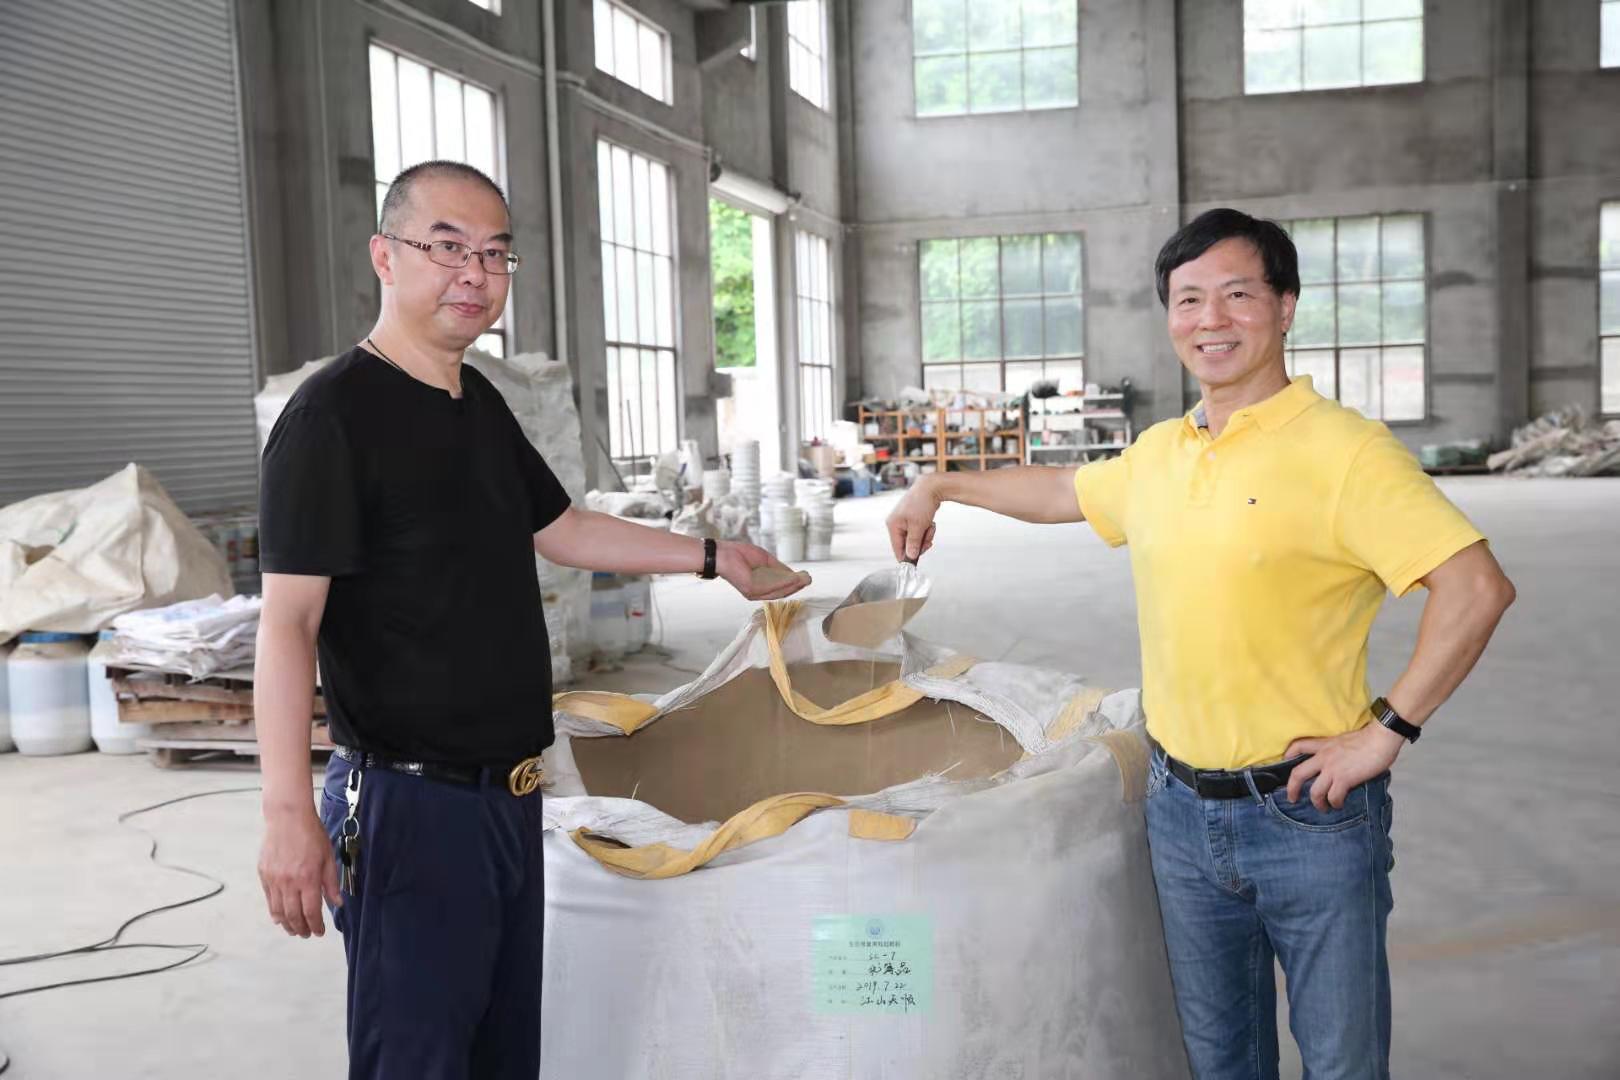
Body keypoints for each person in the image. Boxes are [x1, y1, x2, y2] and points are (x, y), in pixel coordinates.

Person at [886, 208, 1515, 1079]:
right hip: (1178, 810)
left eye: (1237, 295)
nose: (1209, 319)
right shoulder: (1161, 454)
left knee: (1341, 1063)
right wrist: (939, 485)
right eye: (1188, 300)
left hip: (1308, 813)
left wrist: (1387, 731)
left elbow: (1476, 588)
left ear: (1285, 306)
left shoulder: (1346, 453)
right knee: (1221, 1062)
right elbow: (1062, 493)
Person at [254, 160, 807, 1080]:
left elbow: (563, 529)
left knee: (503, 1056)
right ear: (385, 256)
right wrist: (284, 813)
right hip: (409, 807)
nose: (475, 274)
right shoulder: (332, 417)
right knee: (419, 1060)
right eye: (448, 248)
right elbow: (287, 625)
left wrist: (715, 557)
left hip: (509, 798)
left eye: (495, 254)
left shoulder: (475, 403)